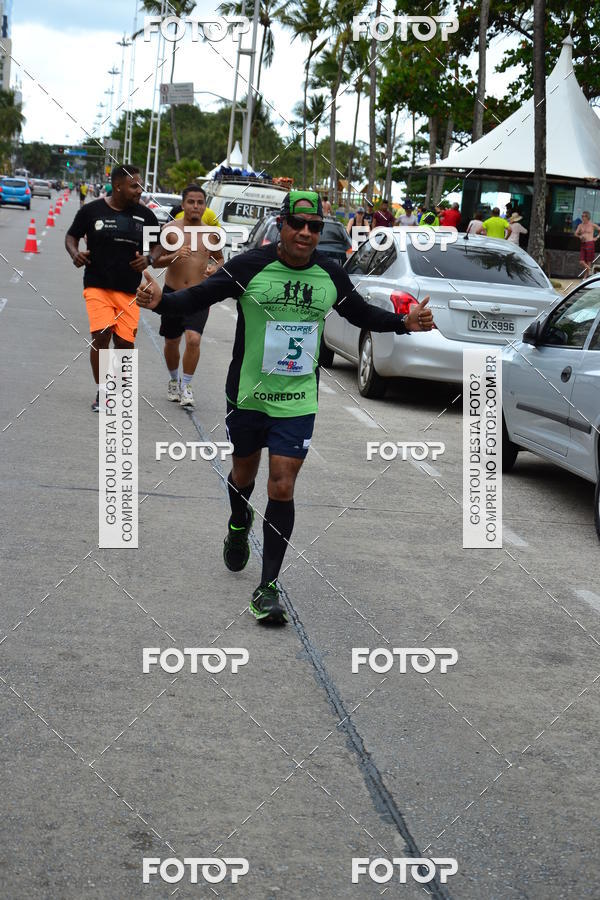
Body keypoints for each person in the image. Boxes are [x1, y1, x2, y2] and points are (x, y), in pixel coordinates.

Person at [136, 190, 435, 625]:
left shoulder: (330, 275)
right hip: (248, 394)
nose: (307, 233)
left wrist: (403, 323)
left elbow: (360, 314)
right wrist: (161, 301)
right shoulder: (250, 266)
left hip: (297, 399)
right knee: (244, 475)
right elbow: (197, 297)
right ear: (282, 225)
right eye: (299, 224)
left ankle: (267, 586)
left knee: (282, 483)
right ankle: (239, 522)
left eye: (315, 227)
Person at [65, 165, 160, 411]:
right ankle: (103, 391)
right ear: (118, 186)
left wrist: (149, 259)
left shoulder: (145, 216)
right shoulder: (91, 211)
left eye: (140, 185)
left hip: (129, 290)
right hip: (97, 285)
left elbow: (159, 246)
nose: (139, 190)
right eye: (134, 185)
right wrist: (75, 254)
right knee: (102, 335)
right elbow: (71, 236)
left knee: (124, 344)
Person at [154, 184, 225, 408]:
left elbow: (220, 259)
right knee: (171, 341)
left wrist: (215, 269)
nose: (196, 206)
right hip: (172, 294)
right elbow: (155, 260)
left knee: (193, 339)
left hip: (198, 295)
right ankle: (174, 380)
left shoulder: (212, 235)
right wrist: (174, 255)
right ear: (183, 205)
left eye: (200, 202)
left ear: (205, 206)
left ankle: (187, 386)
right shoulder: (169, 229)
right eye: (191, 202)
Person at [575, 211, 600, 278]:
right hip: (583, 243)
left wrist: (597, 237)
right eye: (582, 216)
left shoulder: (592, 225)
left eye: (584, 216)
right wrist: (579, 236)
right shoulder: (580, 225)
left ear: (587, 217)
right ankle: (591, 270)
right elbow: (576, 233)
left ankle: (585, 278)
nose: (582, 217)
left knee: (588, 261)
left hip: (590, 243)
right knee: (581, 261)